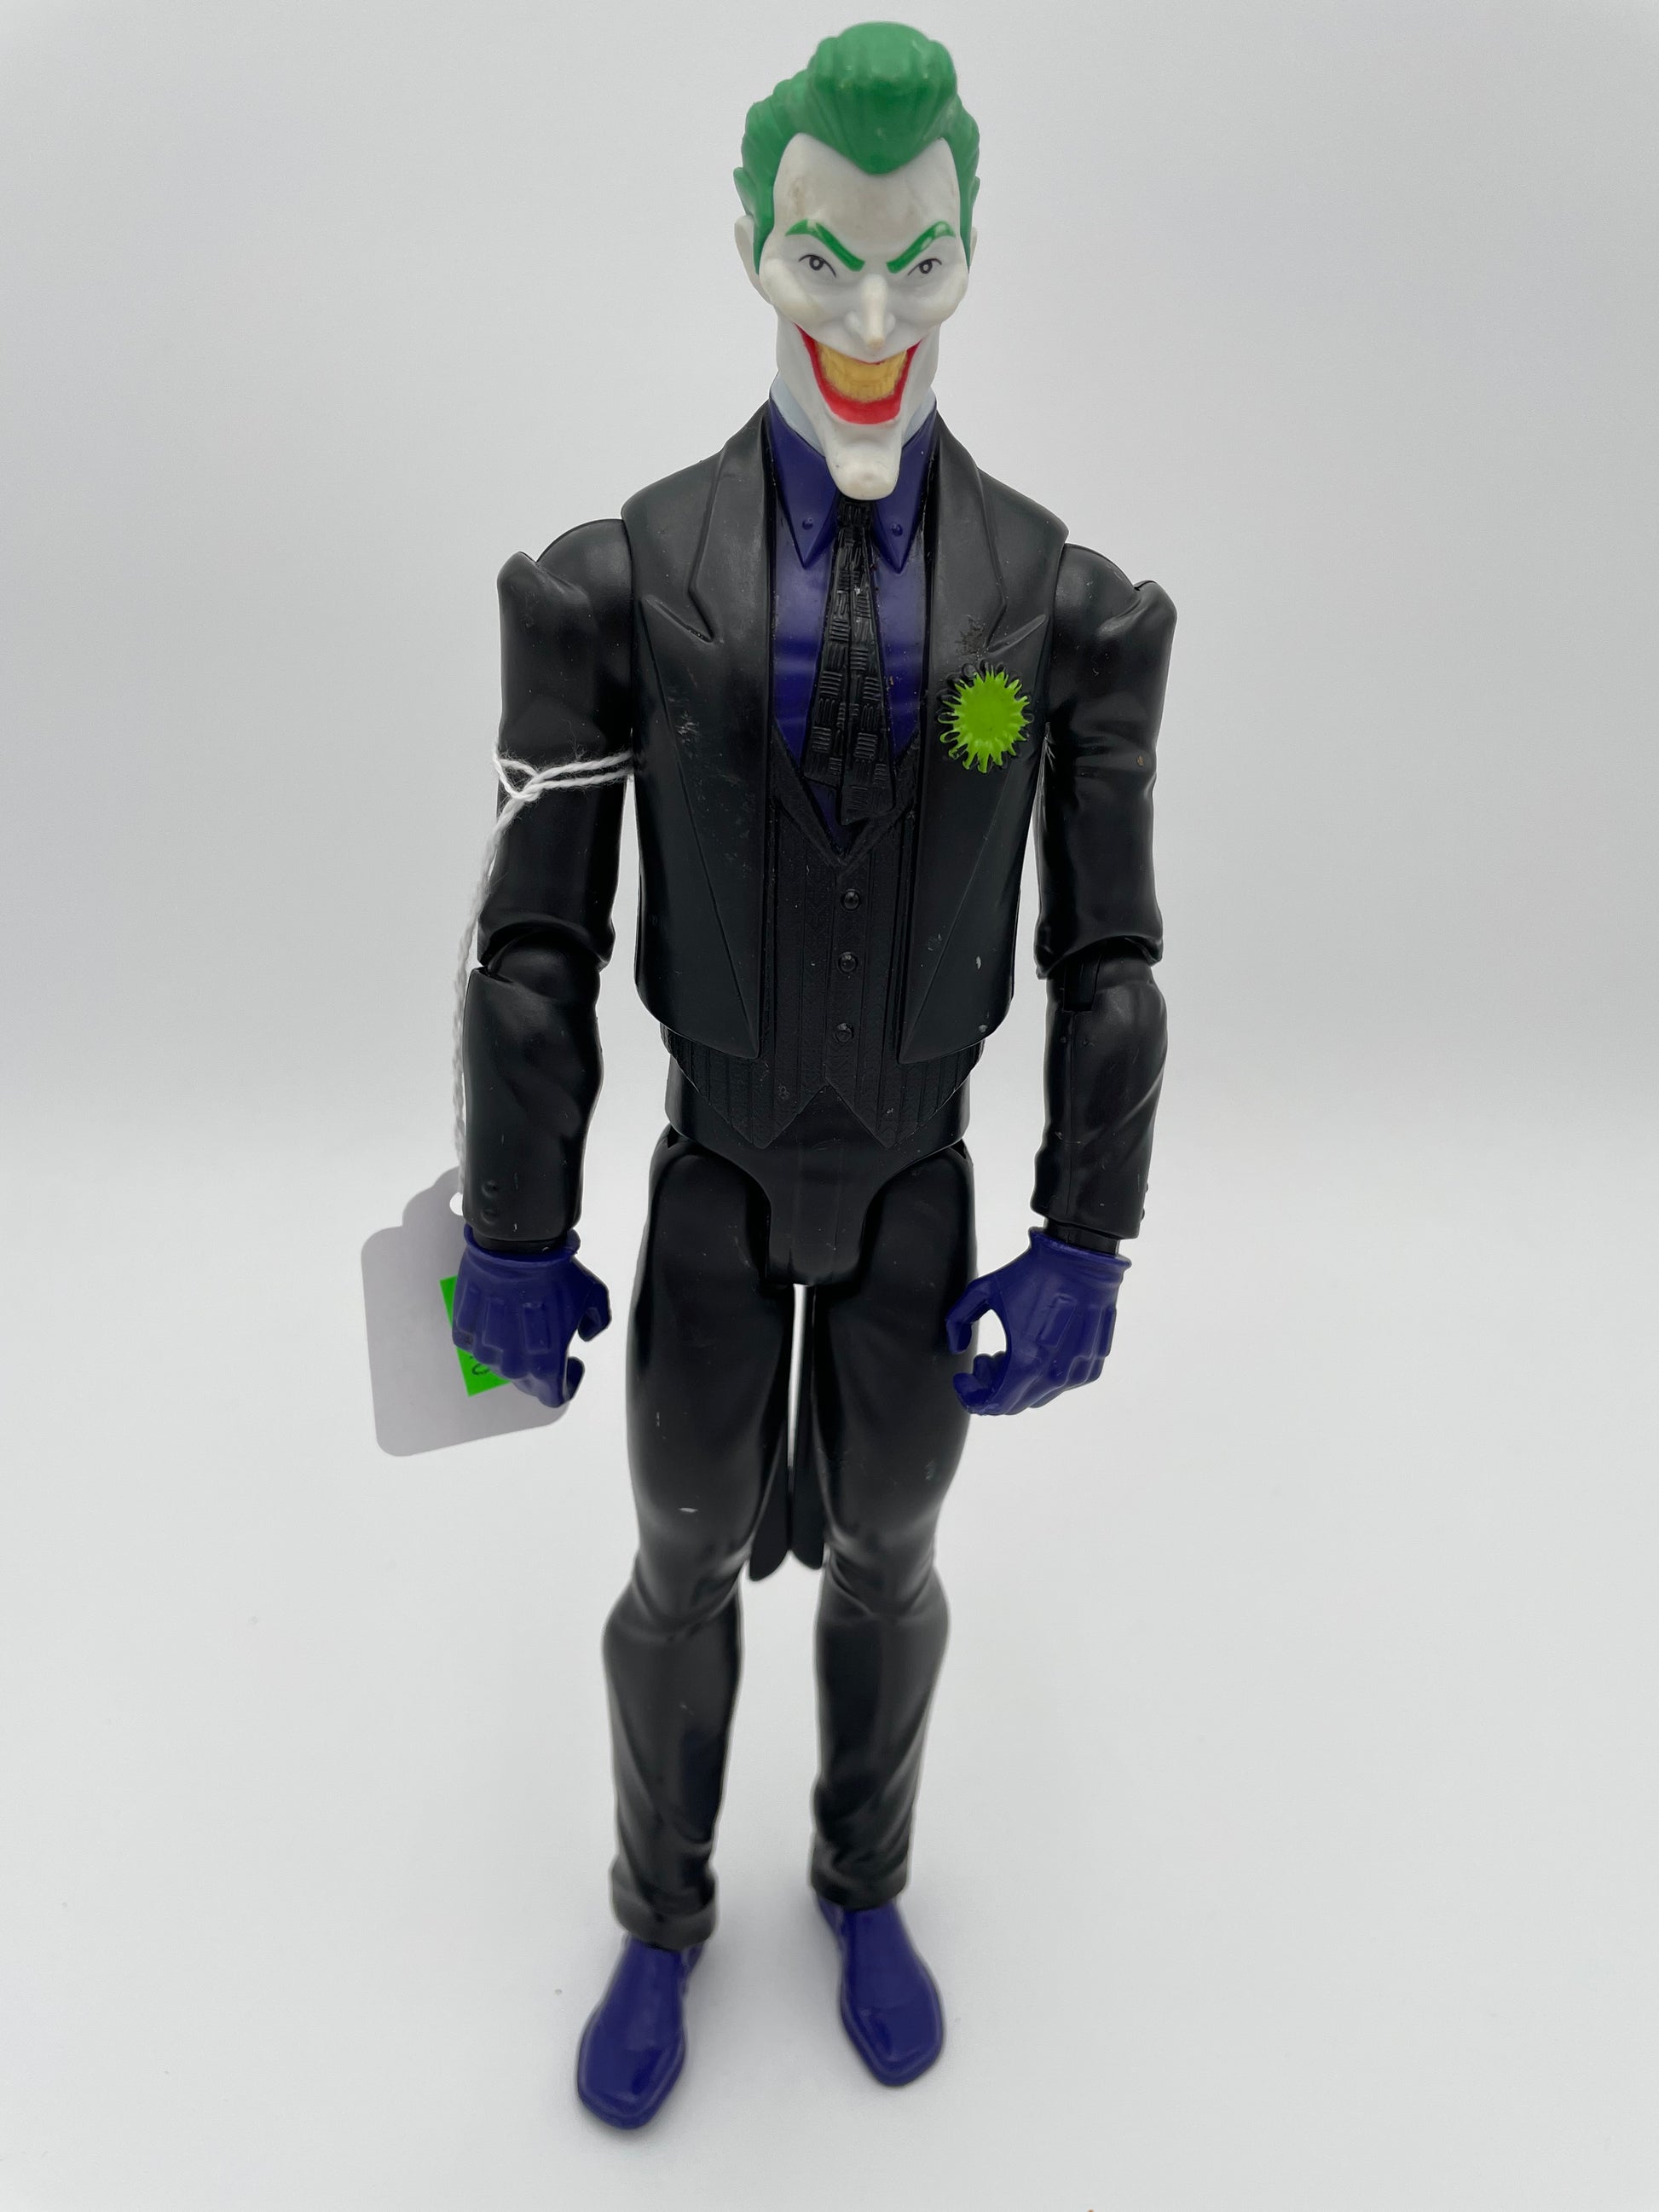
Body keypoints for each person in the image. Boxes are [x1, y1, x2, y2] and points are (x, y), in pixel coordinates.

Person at [449, 20, 1176, 2128]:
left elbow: (1108, 948)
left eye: (916, 261)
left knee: (890, 1551)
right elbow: (537, 940)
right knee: (678, 1549)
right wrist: (508, 1227)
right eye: (823, 258)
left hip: (917, 1185)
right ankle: (661, 1906)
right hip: (713, 1167)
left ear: (971, 252)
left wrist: (1087, 1230)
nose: (869, 320)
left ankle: (861, 1881)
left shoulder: (1054, 609)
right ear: (752, 247)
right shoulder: (621, 582)